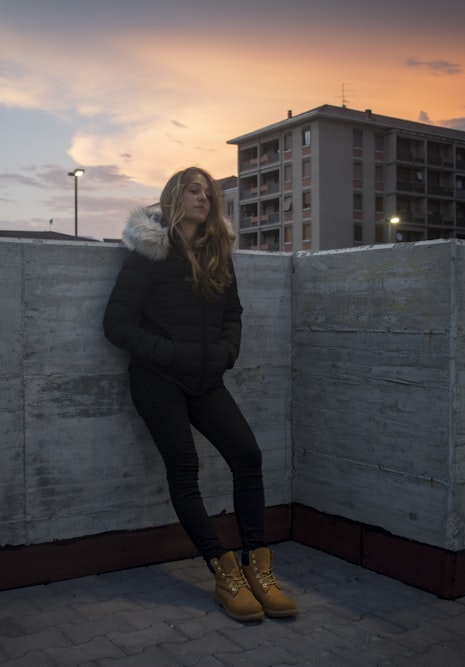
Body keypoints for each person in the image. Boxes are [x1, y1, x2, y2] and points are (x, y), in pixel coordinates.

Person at [103, 166, 296, 622]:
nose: (203, 198)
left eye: (208, 192)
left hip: (207, 380)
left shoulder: (216, 253)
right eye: (195, 191)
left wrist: (227, 353)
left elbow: (234, 313)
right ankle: (223, 570)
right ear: (175, 196)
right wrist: (168, 354)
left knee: (247, 457)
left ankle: (258, 568)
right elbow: (115, 324)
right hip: (158, 381)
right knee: (185, 471)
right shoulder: (149, 253)